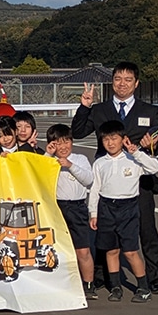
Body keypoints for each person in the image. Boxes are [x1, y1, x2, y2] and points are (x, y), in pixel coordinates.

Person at [71, 61, 158, 294]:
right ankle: (103, 276)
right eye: (117, 79)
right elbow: (77, 132)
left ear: (136, 83)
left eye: (127, 80)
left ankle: (156, 278)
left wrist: (153, 145)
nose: (122, 84)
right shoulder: (99, 110)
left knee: (147, 229)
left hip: (138, 181)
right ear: (112, 81)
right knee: (105, 232)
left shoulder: (149, 111)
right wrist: (84, 106)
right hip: (108, 182)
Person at [89, 120, 158, 303]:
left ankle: (143, 287)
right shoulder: (100, 163)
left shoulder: (133, 159)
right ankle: (115, 287)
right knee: (111, 250)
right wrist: (93, 213)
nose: (110, 143)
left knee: (130, 251)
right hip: (106, 208)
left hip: (128, 208)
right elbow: (95, 189)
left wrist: (136, 152)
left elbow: (155, 167)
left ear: (123, 139)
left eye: (114, 138)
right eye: (106, 139)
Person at [45, 124, 96, 299]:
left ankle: (88, 284)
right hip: (57, 208)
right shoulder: (49, 161)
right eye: (58, 143)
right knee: (57, 249)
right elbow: (39, 176)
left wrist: (70, 165)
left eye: (66, 141)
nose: (63, 146)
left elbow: (89, 179)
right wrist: (48, 154)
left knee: (83, 250)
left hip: (77, 207)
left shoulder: (80, 159)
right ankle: (61, 284)